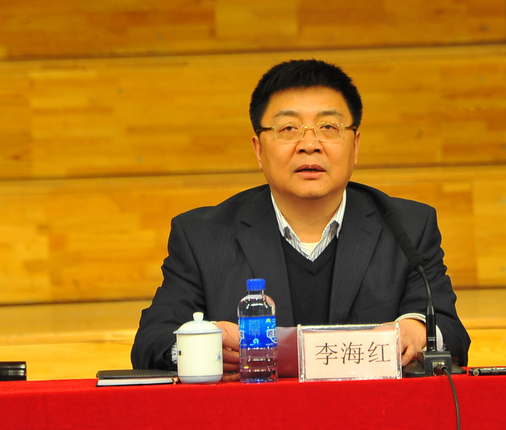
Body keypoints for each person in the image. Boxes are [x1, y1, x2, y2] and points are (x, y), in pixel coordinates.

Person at [131, 59, 470, 380]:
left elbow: (452, 333)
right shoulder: (202, 235)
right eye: (288, 128)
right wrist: (201, 344)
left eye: (328, 127)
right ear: (258, 150)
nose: (310, 145)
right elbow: (151, 342)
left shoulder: (407, 227)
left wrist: (418, 331)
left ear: (355, 147)